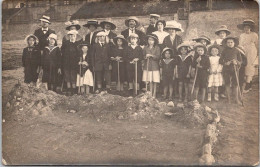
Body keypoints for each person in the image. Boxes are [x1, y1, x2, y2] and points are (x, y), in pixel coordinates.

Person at [163, 20, 183, 98]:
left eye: (173, 29)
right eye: (170, 29)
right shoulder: (166, 38)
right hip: (169, 59)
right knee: (169, 75)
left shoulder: (179, 38)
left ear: (176, 30)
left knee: (176, 75)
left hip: (177, 58)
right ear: (168, 30)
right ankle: (168, 93)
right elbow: (165, 49)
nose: (171, 31)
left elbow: (181, 48)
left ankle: (176, 92)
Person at [238, 19, 258, 93]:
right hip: (244, 51)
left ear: (251, 28)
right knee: (245, 66)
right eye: (245, 27)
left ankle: (247, 86)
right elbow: (240, 45)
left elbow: (257, 45)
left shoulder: (254, 35)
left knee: (250, 67)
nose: (246, 29)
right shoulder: (242, 35)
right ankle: (249, 86)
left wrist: (257, 55)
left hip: (252, 52)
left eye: (248, 27)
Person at [219, 36, 242, 104]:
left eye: (231, 42)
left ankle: (236, 99)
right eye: (228, 42)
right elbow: (220, 61)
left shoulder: (237, 50)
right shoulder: (224, 51)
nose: (230, 43)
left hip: (235, 69)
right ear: (226, 43)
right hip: (226, 69)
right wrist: (225, 63)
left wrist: (236, 62)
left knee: (236, 84)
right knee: (227, 84)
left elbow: (240, 61)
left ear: (234, 43)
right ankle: (229, 99)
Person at [61, 30, 81, 96]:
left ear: (76, 37)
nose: (72, 37)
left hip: (74, 63)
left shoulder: (78, 44)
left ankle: (74, 89)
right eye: (71, 36)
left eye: (74, 36)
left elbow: (79, 54)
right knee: (67, 75)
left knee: (73, 76)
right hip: (66, 62)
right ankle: (69, 88)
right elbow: (62, 53)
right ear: (69, 36)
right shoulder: (66, 43)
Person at [214, 25, 231, 99]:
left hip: (226, 59)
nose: (222, 35)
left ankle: (225, 91)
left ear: (226, 34)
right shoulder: (217, 41)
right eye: (220, 33)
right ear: (218, 34)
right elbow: (214, 49)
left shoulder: (228, 41)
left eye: (223, 33)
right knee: (219, 75)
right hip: (218, 59)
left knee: (226, 75)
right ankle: (218, 92)